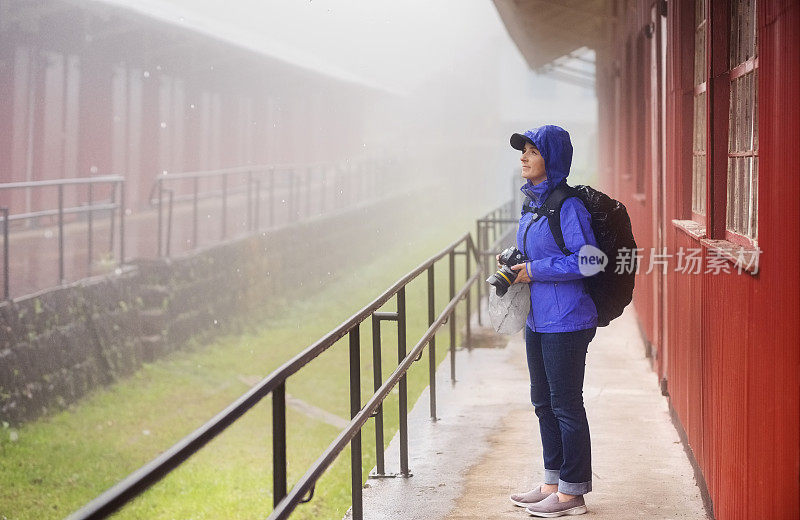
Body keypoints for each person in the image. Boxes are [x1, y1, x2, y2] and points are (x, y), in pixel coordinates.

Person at [504, 125, 598, 517]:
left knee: (565, 405)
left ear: (552, 159)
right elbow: (537, 249)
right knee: (543, 402)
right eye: (522, 151)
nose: (523, 157)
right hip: (537, 319)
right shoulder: (532, 204)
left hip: (567, 319)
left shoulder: (568, 205)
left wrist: (536, 269)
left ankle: (573, 493)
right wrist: (514, 262)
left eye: (532, 151)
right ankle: (552, 482)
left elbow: (590, 260)